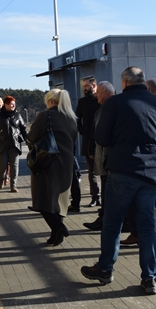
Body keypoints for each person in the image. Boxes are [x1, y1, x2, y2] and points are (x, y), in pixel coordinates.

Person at [80, 66, 156, 295]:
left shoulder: (115, 104)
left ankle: (105, 269)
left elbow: (101, 137)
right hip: (151, 173)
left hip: (122, 170)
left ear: (123, 83)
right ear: (143, 81)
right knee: (148, 226)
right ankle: (150, 278)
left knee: (113, 222)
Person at [120, 79, 156, 247]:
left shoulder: (149, 106)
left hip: (150, 159)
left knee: (137, 198)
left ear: (148, 89)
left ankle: (137, 233)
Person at [28, 88, 78, 246]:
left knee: (42, 200)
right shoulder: (71, 117)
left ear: (49, 101)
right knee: (60, 202)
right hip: (66, 164)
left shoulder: (45, 115)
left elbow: (32, 136)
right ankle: (56, 236)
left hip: (47, 164)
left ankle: (59, 227)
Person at [82, 81, 115, 231]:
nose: (96, 96)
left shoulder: (113, 109)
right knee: (103, 183)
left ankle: (106, 220)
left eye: (99, 93)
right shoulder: (99, 109)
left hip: (110, 156)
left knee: (109, 188)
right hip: (100, 152)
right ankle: (103, 217)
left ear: (106, 93)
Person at [0, 95, 28, 192]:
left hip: (15, 144)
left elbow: (23, 128)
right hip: (2, 144)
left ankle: (13, 185)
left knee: (14, 165)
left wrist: (28, 140)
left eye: (14, 104)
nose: (13, 106)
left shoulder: (18, 115)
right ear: (5, 105)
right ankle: (1, 179)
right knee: (2, 165)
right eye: (11, 104)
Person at [76, 77, 101, 207]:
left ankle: (105, 198)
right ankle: (95, 197)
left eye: (86, 86)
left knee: (103, 171)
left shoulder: (101, 101)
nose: (84, 89)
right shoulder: (82, 102)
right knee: (91, 172)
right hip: (87, 141)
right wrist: (82, 130)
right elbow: (77, 118)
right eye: (83, 86)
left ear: (94, 85)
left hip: (101, 141)